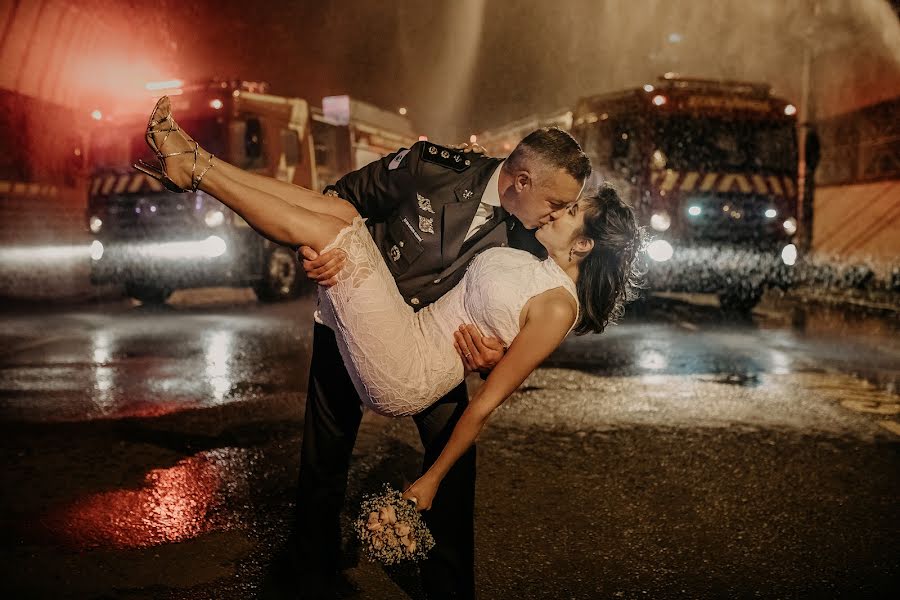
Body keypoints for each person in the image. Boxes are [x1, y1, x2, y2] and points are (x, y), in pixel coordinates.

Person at [134, 96, 641, 598]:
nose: (556, 214)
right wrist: (312, 254)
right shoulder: (433, 167)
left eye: (566, 208)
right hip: (365, 310)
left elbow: (526, 327)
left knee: (454, 467)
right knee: (323, 458)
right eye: (556, 202)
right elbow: (343, 196)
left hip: (433, 351)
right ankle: (312, 576)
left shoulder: (538, 237)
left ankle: (448, 589)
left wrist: (493, 361)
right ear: (522, 181)